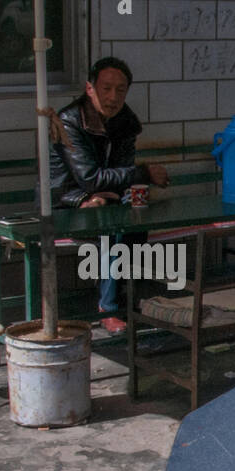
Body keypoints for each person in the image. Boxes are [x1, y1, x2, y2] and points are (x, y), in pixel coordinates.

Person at [48, 56, 169, 334]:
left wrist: (127, 186)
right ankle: (109, 306)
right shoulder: (69, 121)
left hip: (105, 199)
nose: (113, 97)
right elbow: (89, 178)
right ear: (90, 88)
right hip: (65, 202)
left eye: (120, 89)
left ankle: (126, 295)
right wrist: (144, 174)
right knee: (113, 226)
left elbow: (121, 171)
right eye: (106, 88)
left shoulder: (125, 121)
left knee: (137, 216)